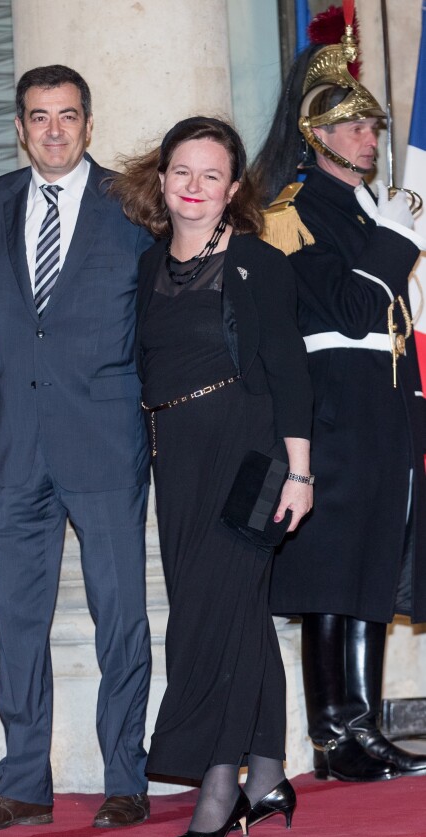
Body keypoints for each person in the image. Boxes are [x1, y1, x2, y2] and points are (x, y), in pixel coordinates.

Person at [0, 64, 154, 832]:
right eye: (39, 117)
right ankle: (22, 783)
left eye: (68, 116)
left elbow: (157, 321)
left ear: (89, 126)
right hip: (15, 447)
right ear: (21, 126)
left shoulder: (132, 205)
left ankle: (126, 778)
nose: (54, 130)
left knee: (120, 616)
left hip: (104, 441)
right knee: (20, 621)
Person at [112, 117, 313, 837]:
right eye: (182, 173)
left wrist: (299, 472)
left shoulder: (260, 262)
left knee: (213, 618)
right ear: (161, 180)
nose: (194, 188)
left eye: (211, 176)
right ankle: (268, 774)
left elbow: (292, 376)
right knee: (237, 617)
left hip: (252, 450)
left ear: (232, 191)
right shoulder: (145, 267)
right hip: (180, 456)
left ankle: (221, 781)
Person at [252, 20, 426, 781]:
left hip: (385, 408)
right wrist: (394, 241)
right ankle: (334, 733)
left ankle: (366, 726)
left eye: (372, 125)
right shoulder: (293, 209)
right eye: (351, 126)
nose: (368, 138)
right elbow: (349, 312)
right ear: (315, 134)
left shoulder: (365, 209)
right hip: (334, 413)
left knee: (371, 569)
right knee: (332, 574)